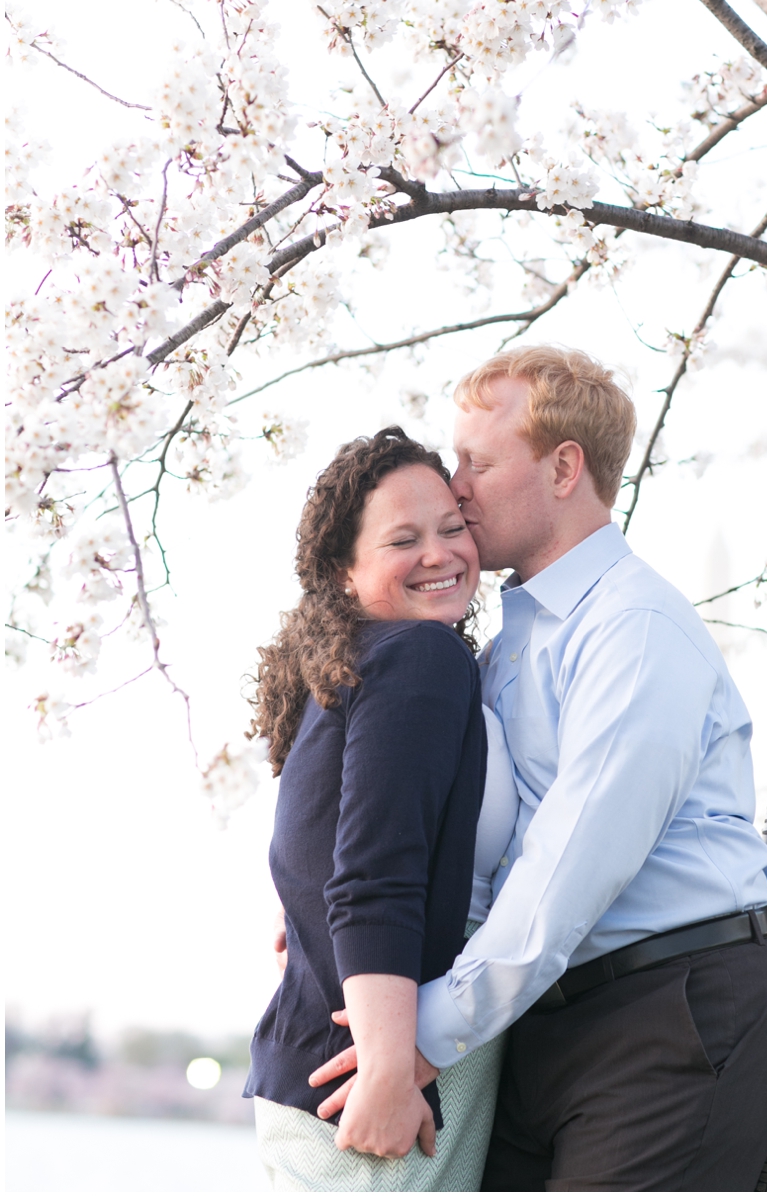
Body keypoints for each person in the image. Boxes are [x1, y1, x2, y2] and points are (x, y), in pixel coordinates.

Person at [312, 346, 767, 1192]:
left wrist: (414, 1043)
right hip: (537, 1016)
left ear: (565, 466)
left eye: (479, 461)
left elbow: (570, 866)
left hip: (671, 1012)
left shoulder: (634, 629)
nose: (455, 485)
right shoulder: (509, 642)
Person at [243, 427, 518, 1191]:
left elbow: (320, 860)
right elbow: (374, 873)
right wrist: (395, 1068)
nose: (439, 553)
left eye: (451, 528)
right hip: (371, 1079)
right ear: (343, 571)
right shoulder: (422, 655)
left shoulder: (359, 666)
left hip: (329, 1069)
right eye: (404, 538)